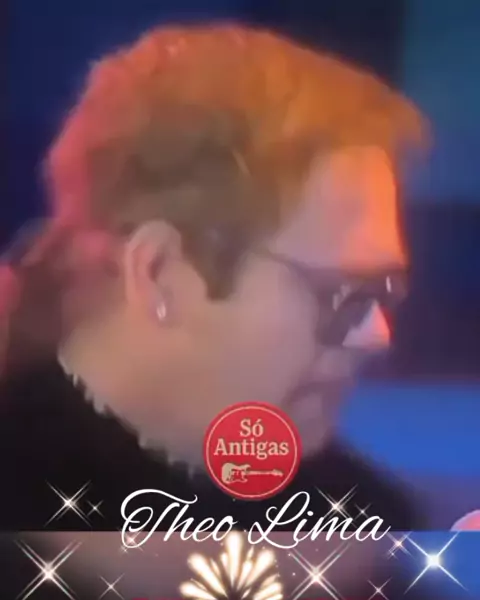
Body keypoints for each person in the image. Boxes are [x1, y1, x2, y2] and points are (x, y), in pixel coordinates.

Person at [0, 24, 428, 539]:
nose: (377, 335)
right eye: (337, 292)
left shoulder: (364, 527)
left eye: (384, 291)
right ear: (159, 273)